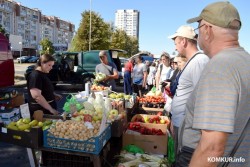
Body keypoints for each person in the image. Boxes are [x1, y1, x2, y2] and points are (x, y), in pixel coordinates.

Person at [177, 1, 250, 167]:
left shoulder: (219, 67)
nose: (199, 36)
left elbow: (212, 148)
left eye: (199, 29)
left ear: (207, 30)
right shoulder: (245, 61)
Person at [168, 25, 209, 157]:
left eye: (176, 43)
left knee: (183, 159)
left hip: (187, 126)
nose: (175, 48)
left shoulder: (199, 61)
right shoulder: (193, 61)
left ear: (183, 41)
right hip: (181, 123)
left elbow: (202, 98)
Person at [27, 54, 62, 119]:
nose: (51, 68)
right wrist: (51, 109)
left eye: (52, 65)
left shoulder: (42, 74)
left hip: (46, 110)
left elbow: (43, 89)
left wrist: (53, 95)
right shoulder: (35, 75)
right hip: (41, 112)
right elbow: (36, 96)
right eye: (49, 65)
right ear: (42, 63)